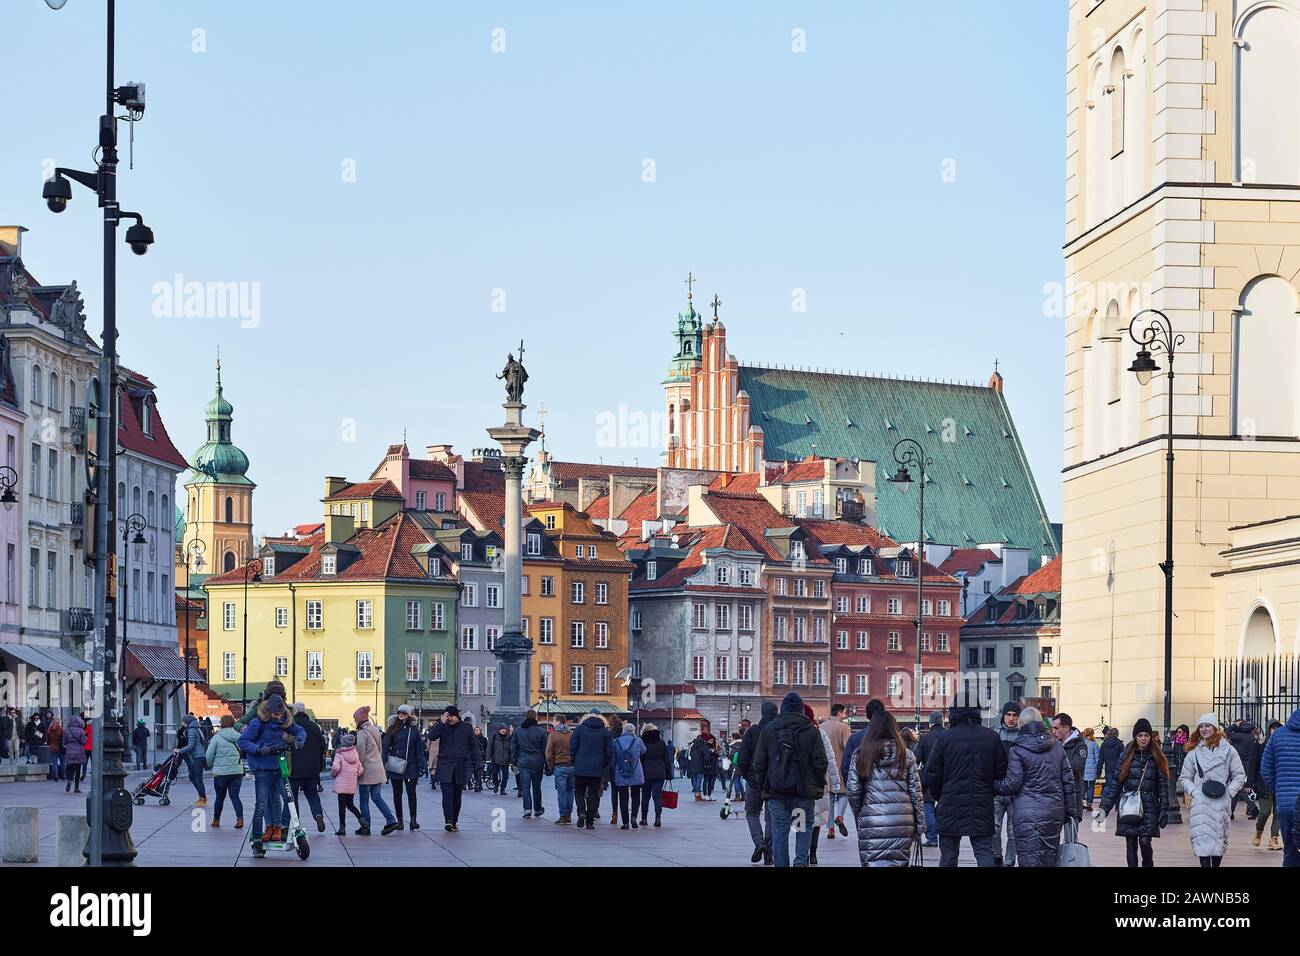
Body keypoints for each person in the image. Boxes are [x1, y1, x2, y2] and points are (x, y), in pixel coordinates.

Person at [924, 701, 1006, 867]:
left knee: (948, 855)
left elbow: (931, 773)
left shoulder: (944, 738)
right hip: (982, 803)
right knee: (984, 851)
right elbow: (1001, 772)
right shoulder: (991, 737)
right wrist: (989, 789)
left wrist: (941, 794)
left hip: (950, 804)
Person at [751, 692, 827, 867]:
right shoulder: (811, 731)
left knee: (780, 832)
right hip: (801, 794)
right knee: (801, 829)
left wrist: (765, 785)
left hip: (777, 793)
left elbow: (759, 763)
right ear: (801, 710)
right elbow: (820, 762)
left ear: (782, 709)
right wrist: (815, 783)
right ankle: (800, 862)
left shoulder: (769, 730)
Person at [994, 707, 1076, 868]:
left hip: (1026, 812)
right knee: (1049, 856)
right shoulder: (1057, 747)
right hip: (1053, 810)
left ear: (1021, 723)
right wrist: (1070, 812)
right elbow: (1068, 782)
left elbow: (1012, 783)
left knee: (1028, 856)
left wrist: (992, 784)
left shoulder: (1017, 749)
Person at [846, 710, 923, 867]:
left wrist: (861, 813)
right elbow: (916, 792)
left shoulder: (861, 754)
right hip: (902, 820)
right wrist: (920, 824)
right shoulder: (906, 755)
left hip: (872, 819)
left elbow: (853, 791)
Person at [238, 694, 308, 855]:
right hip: (263, 768)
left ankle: (282, 827)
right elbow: (243, 741)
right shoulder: (257, 723)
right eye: (276, 715)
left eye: (281, 714)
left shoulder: (284, 721)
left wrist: (299, 740)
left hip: (279, 765)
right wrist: (258, 749)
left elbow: (300, 730)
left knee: (289, 799)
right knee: (261, 805)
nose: (279, 717)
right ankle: (257, 839)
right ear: (269, 712)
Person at [1093, 718, 1168, 867]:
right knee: (1130, 842)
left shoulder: (1157, 757)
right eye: (1140, 735)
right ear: (1135, 737)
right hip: (1129, 806)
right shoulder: (1126, 755)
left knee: (1145, 841)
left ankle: (1148, 864)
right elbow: (1115, 785)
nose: (1143, 739)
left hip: (1149, 806)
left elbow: (1162, 786)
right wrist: (1102, 810)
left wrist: (1164, 809)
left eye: (1146, 735)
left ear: (1150, 737)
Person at [1179, 714, 1246, 868]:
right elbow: (1185, 776)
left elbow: (1239, 775)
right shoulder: (1194, 752)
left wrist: (1229, 792)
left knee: (1218, 842)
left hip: (1220, 802)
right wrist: (1195, 792)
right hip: (1201, 803)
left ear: (1215, 728)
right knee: (1202, 841)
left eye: (1207, 726)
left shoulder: (1229, 750)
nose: (1204, 729)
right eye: (1201, 726)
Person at [425, 705, 477, 831]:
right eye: (447, 717)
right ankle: (448, 821)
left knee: (457, 796)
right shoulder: (442, 726)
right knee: (447, 794)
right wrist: (441, 723)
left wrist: (477, 762)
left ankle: (454, 821)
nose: (450, 719)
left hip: (461, 765)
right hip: (445, 765)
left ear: (457, 716)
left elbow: (473, 745)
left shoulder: (466, 727)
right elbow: (431, 737)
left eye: (451, 716)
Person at [737, 700, 777, 864]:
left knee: (752, 813)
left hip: (755, 780)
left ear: (762, 713)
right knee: (771, 817)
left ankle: (759, 843)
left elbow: (742, 758)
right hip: (774, 781)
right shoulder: (778, 730)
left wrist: (747, 775)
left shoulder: (753, 731)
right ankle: (769, 853)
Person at [1260, 705, 1300, 867]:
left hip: (1286, 804)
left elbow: (1265, 769)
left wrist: (1279, 790)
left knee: (1290, 852)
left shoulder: (1278, 735)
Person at [352, 706, 401, 837]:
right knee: (377, 796)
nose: (355, 722)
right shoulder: (374, 729)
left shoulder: (362, 733)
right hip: (377, 768)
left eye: (355, 719)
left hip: (367, 770)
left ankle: (366, 826)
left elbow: (360, 753)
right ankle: (391, 819)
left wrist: (358, 768)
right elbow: (380, 749)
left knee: (364, 799)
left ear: (359, 720)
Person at [806, 704, 842, 865]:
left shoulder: (791, 733)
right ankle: (812, 852)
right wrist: (835, 782)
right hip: (818, 783)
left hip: (797, 785)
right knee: (817, 817)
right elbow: (830, 759)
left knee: (800, 819)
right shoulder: (820, 734)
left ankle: (802, 852)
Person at [383, 704, 427, 831]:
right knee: (397, 794)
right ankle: (400, 821)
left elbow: (419, 748)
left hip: (411, 766)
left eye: (404, 712)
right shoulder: (392, 728)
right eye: (399, 712)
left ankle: (413, 820)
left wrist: (422, 765)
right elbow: (385, 746)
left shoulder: (413, 730)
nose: (401, 714)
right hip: (395, 765)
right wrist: (382, 761)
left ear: (408, 715)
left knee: (411, 793)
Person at [568, 709, 613, 830]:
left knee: (579, 791)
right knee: (593, 794)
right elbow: (609, 751)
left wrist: (574, 761)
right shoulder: (605, 732)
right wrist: (603, 764)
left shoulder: (579, 730)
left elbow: (572, 747)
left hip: (581, 767)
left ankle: (581, 812)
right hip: (597, 769)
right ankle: (590, 821)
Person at [911, 710, 947, 848]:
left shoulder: (925, 739)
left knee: (928, 806)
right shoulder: (948, 736)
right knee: (944, 806)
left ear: (930, 723)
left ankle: (932, 838)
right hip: (947, 777)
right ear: (942, 722)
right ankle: (944, 835)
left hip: (929, 777)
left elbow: (917, 758)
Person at [290, 703, 327, 833]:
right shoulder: (315, 726)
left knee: (292, 795)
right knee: (312, 792)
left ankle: (296, 822)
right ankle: (318, 814)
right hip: (312, 767)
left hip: (294, 767)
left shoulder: (291, 725)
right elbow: (323, 746)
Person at [205, 714, 245, 829]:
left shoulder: (216, 738)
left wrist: (213, 765)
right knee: (235, 796)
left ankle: (216, 820)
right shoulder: (239, 736)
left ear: (222, 723)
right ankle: (240, 819)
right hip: (237, 771)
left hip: (221, 773)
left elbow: (209, 755)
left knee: (219, 797)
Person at [993, 701, 1020, 868]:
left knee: (1014, 831)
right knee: (993, 828)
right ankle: (996, 857)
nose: (1011, 718)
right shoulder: (994, 734)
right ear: (1003, 715)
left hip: (1016, 792)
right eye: (1008, 715)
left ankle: (1010, 860)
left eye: (1015, 715)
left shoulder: (1023, 736)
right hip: (996, 789)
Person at [510, 709, 548, 819]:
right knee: (537, 787)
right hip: (537, 762)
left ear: (526, 717)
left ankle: (527, 809)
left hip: (523, 762)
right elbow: (545, 749)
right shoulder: (541, 731)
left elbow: (514, 747)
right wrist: (546, 763)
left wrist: (514, 761)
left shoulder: (518, 730)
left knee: (525, 787)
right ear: (535, 717)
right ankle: (537, 809)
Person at [821, 704, 852, 839]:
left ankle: (831, 829)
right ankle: (839, 817)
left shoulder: (821, 727)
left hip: (825, 769)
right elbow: (848, 748)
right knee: (844, 794)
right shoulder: (844, 727)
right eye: (844, 712)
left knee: (830, 799)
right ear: (840, 713)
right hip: (840, 767)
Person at [1050, 713, 1087, 823]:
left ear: (1066, 728)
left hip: (1073, 798)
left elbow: (1077, 766)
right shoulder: (1053, 744)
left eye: (1056, 728)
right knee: (1051, 837)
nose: (1053, 732)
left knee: (1070, 837)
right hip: (1055, 798)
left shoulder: (1080, 746)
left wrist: (1056, 762)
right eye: (1052, 728)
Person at [1254, 720, 1284, 851]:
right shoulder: (1260, 745)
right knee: (1265, 812)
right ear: (1268, 730)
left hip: (1281, 784)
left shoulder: (1283, 744)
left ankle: (1274, 839)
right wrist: (1250, 783)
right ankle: (1258, 831)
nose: (1275, 730)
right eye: (1273, 728)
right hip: (1264, 785)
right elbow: (1253, 764)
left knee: (1278, 814)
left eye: (1278, 728)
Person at [611, 721, 647, 829]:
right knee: (636, 795)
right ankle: (634, 817)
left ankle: (625, 822)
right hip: (635, 772)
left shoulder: (616, 741)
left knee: (623, 797)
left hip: (621, 772)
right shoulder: (638, 741)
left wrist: (616, 769)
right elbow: (644, 751)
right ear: (633, 731)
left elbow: (613, 759)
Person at [639, 723, 673, 827]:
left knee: (645, 797)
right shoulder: (661, 743)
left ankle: (644, 819)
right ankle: (658, 818)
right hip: (659, 772)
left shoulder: (642, 742)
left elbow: (640, 759)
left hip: (646, 772)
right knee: (657, 797)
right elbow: (666, 760)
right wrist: (669, 774)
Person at [1228, 720, 1261, 821]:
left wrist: (1234, 726)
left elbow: (1225, 732)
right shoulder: (1251, 736)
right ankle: (1231, 812)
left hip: (1238, 765)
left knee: (1239, 788)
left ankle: (1253, 808)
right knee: (1237, 789)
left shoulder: (1238, 736)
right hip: (1247, 765)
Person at [174, 713, 209, 807]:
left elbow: (191, 746)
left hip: (198, 756)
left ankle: (203, 798)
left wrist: (179, 750)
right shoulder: (196, 728)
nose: (182, 723)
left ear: (187, 722)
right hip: (199, 756)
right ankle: (201, 796)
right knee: (193, 776)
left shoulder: (191, 730)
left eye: (183, 721)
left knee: (197, 778)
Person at [546, 715, 575, 825]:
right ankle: (568, 814)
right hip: (572, 766)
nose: (553, 723)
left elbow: (548, 753)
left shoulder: (553, 735)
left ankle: (562, 815)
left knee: (561, 792)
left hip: (559, 766)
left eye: (554, 721)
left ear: (558, 722)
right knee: (570, 790)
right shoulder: (571, 734)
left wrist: (551, 765)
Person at [62, 714, 87, 793]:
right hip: (79, 751)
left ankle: (69, 781)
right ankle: (76, 787)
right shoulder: (81, 731)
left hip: (69, 751)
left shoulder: (66, 730)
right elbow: (83, 742)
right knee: (78, 769)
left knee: (70, 768)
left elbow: (64, 742)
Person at [1099, 726, 1123, 794]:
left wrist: (1099, 771)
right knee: (1118, 786)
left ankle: (1104, 802)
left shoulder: (1104, 744)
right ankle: (1117, 803)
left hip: (1108, 768)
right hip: (1118, 768)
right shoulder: (1120, 744)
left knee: (1108, 786)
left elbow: (1100, 759)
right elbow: (1123, 758)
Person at [488, 725, 512, 795]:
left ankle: (502, 789)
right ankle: (496, 784)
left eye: (504, 729)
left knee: (505, 776)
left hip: (506, 760)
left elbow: (511, 749)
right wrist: (488, 758)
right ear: (499, 730)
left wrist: (511, 759)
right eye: (502, 729)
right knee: (494, 774)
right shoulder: (494, 737)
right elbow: (489, 747)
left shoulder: (509, 738)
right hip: (495, 759)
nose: (503, 730)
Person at [688, 732, 711, 801]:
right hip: (700, 765)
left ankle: (696, 795)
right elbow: (707, 756)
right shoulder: (703, 746)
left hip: (692, 764)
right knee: (699, 780)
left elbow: (690, 754)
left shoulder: (693, 745)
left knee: (694, 780)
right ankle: (698, 795)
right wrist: (707, 763)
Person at [1082, 727, 1100, 812]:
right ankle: (1089, 804)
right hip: (1092, 769)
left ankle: (1082, 802)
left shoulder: (1081, 743)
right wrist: (1098, 767)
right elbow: (1097, 757)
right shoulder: (1094, 744)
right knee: (1091, 786)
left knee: (1083, 786)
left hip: (1083, 768)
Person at [46, 716, 64, 782]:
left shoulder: (50, 730)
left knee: (54, 763)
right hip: (60, 748)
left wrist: (49, 744)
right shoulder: (61, 730)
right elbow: (63, 739)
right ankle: (63, 776)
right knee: (63, 762)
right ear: (59, 722)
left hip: (53, 747)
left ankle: (56, 776)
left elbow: (47, 739)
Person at [471, 724, 487, 792]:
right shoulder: (472, 739)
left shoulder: (484, 739)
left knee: (480, 773)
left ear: (480, 731)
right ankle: (478, 784)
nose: (476, 732)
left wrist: (486, 755)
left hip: (481, 758)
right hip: (474, 758)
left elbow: (486, 748)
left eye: (478, 730)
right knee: (475, 772)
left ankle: (478, 785)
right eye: (475, 730)